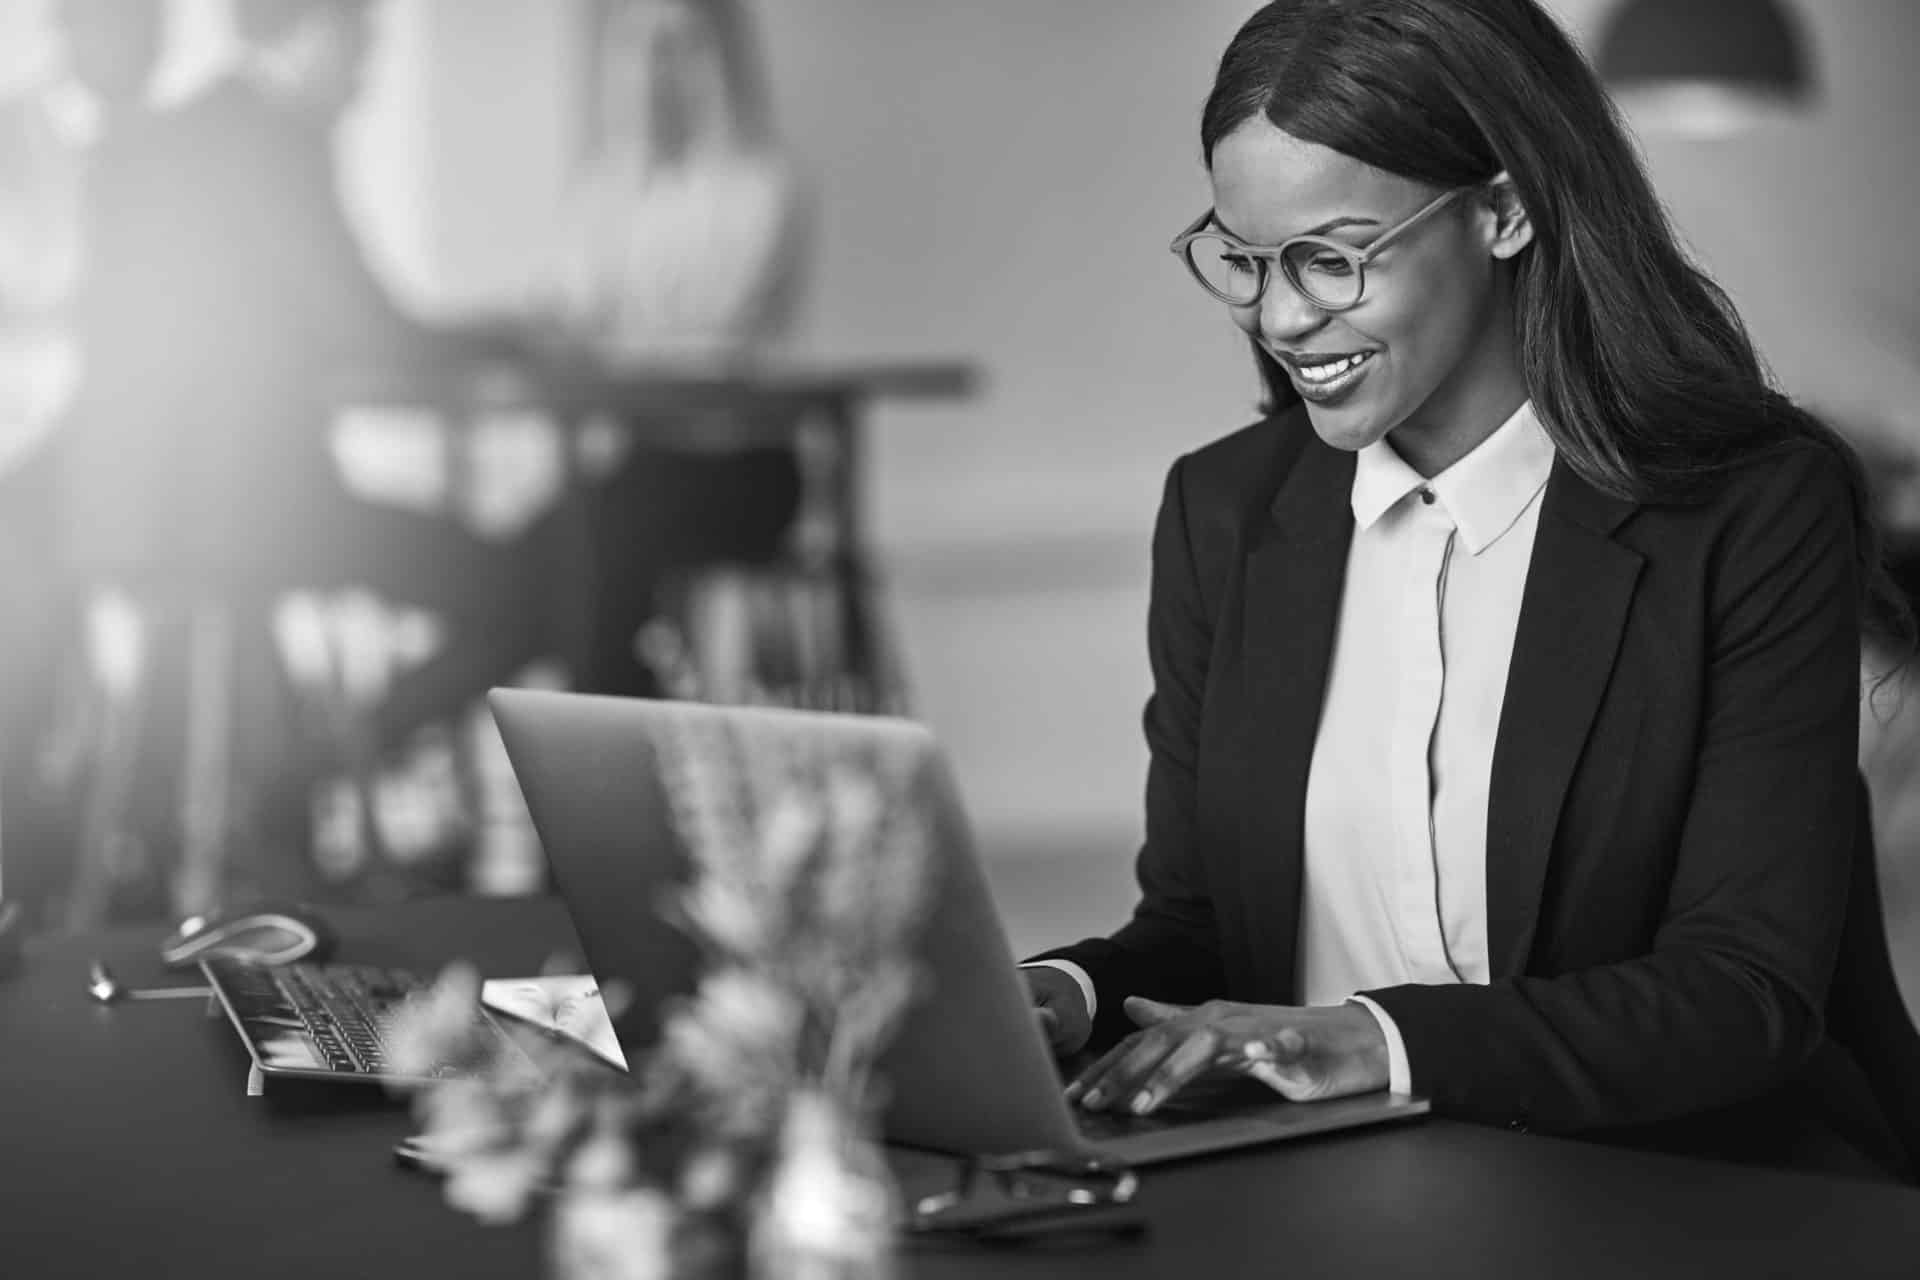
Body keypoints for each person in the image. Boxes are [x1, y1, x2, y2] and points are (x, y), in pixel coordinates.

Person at [1020, 0, 1914, 1181]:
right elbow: (1204, 930)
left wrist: (1372, 1041)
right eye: (1245, 257)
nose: (1283, 317)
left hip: (1683, 1188)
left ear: (1504, 210)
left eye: (1334, 255)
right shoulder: (1224, 511)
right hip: (1336, 1195)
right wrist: (1061, 996)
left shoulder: (1751, 509)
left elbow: (1742, 992)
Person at [57, 0, 557, 755]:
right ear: (320, 29)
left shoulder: (155, 142)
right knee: (533, 588)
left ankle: (295, 777)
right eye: (365, 44)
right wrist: (515, 339)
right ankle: (339, 751)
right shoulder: (275, 143)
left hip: (126, 517)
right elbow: (368, 331)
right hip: (255, 518)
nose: (367, 71)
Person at [534, 0, 806, 698]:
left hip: (741, 469)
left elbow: (719, 323)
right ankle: (611, 756)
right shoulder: (603, 190)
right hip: (638, 464)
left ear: (723, 58)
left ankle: (610, 757)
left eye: (683, 47)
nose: (662, 70)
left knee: (595, 540)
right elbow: (571, 320)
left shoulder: (762, 184)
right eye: (643, 48)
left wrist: (617, 339)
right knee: (534, 558)